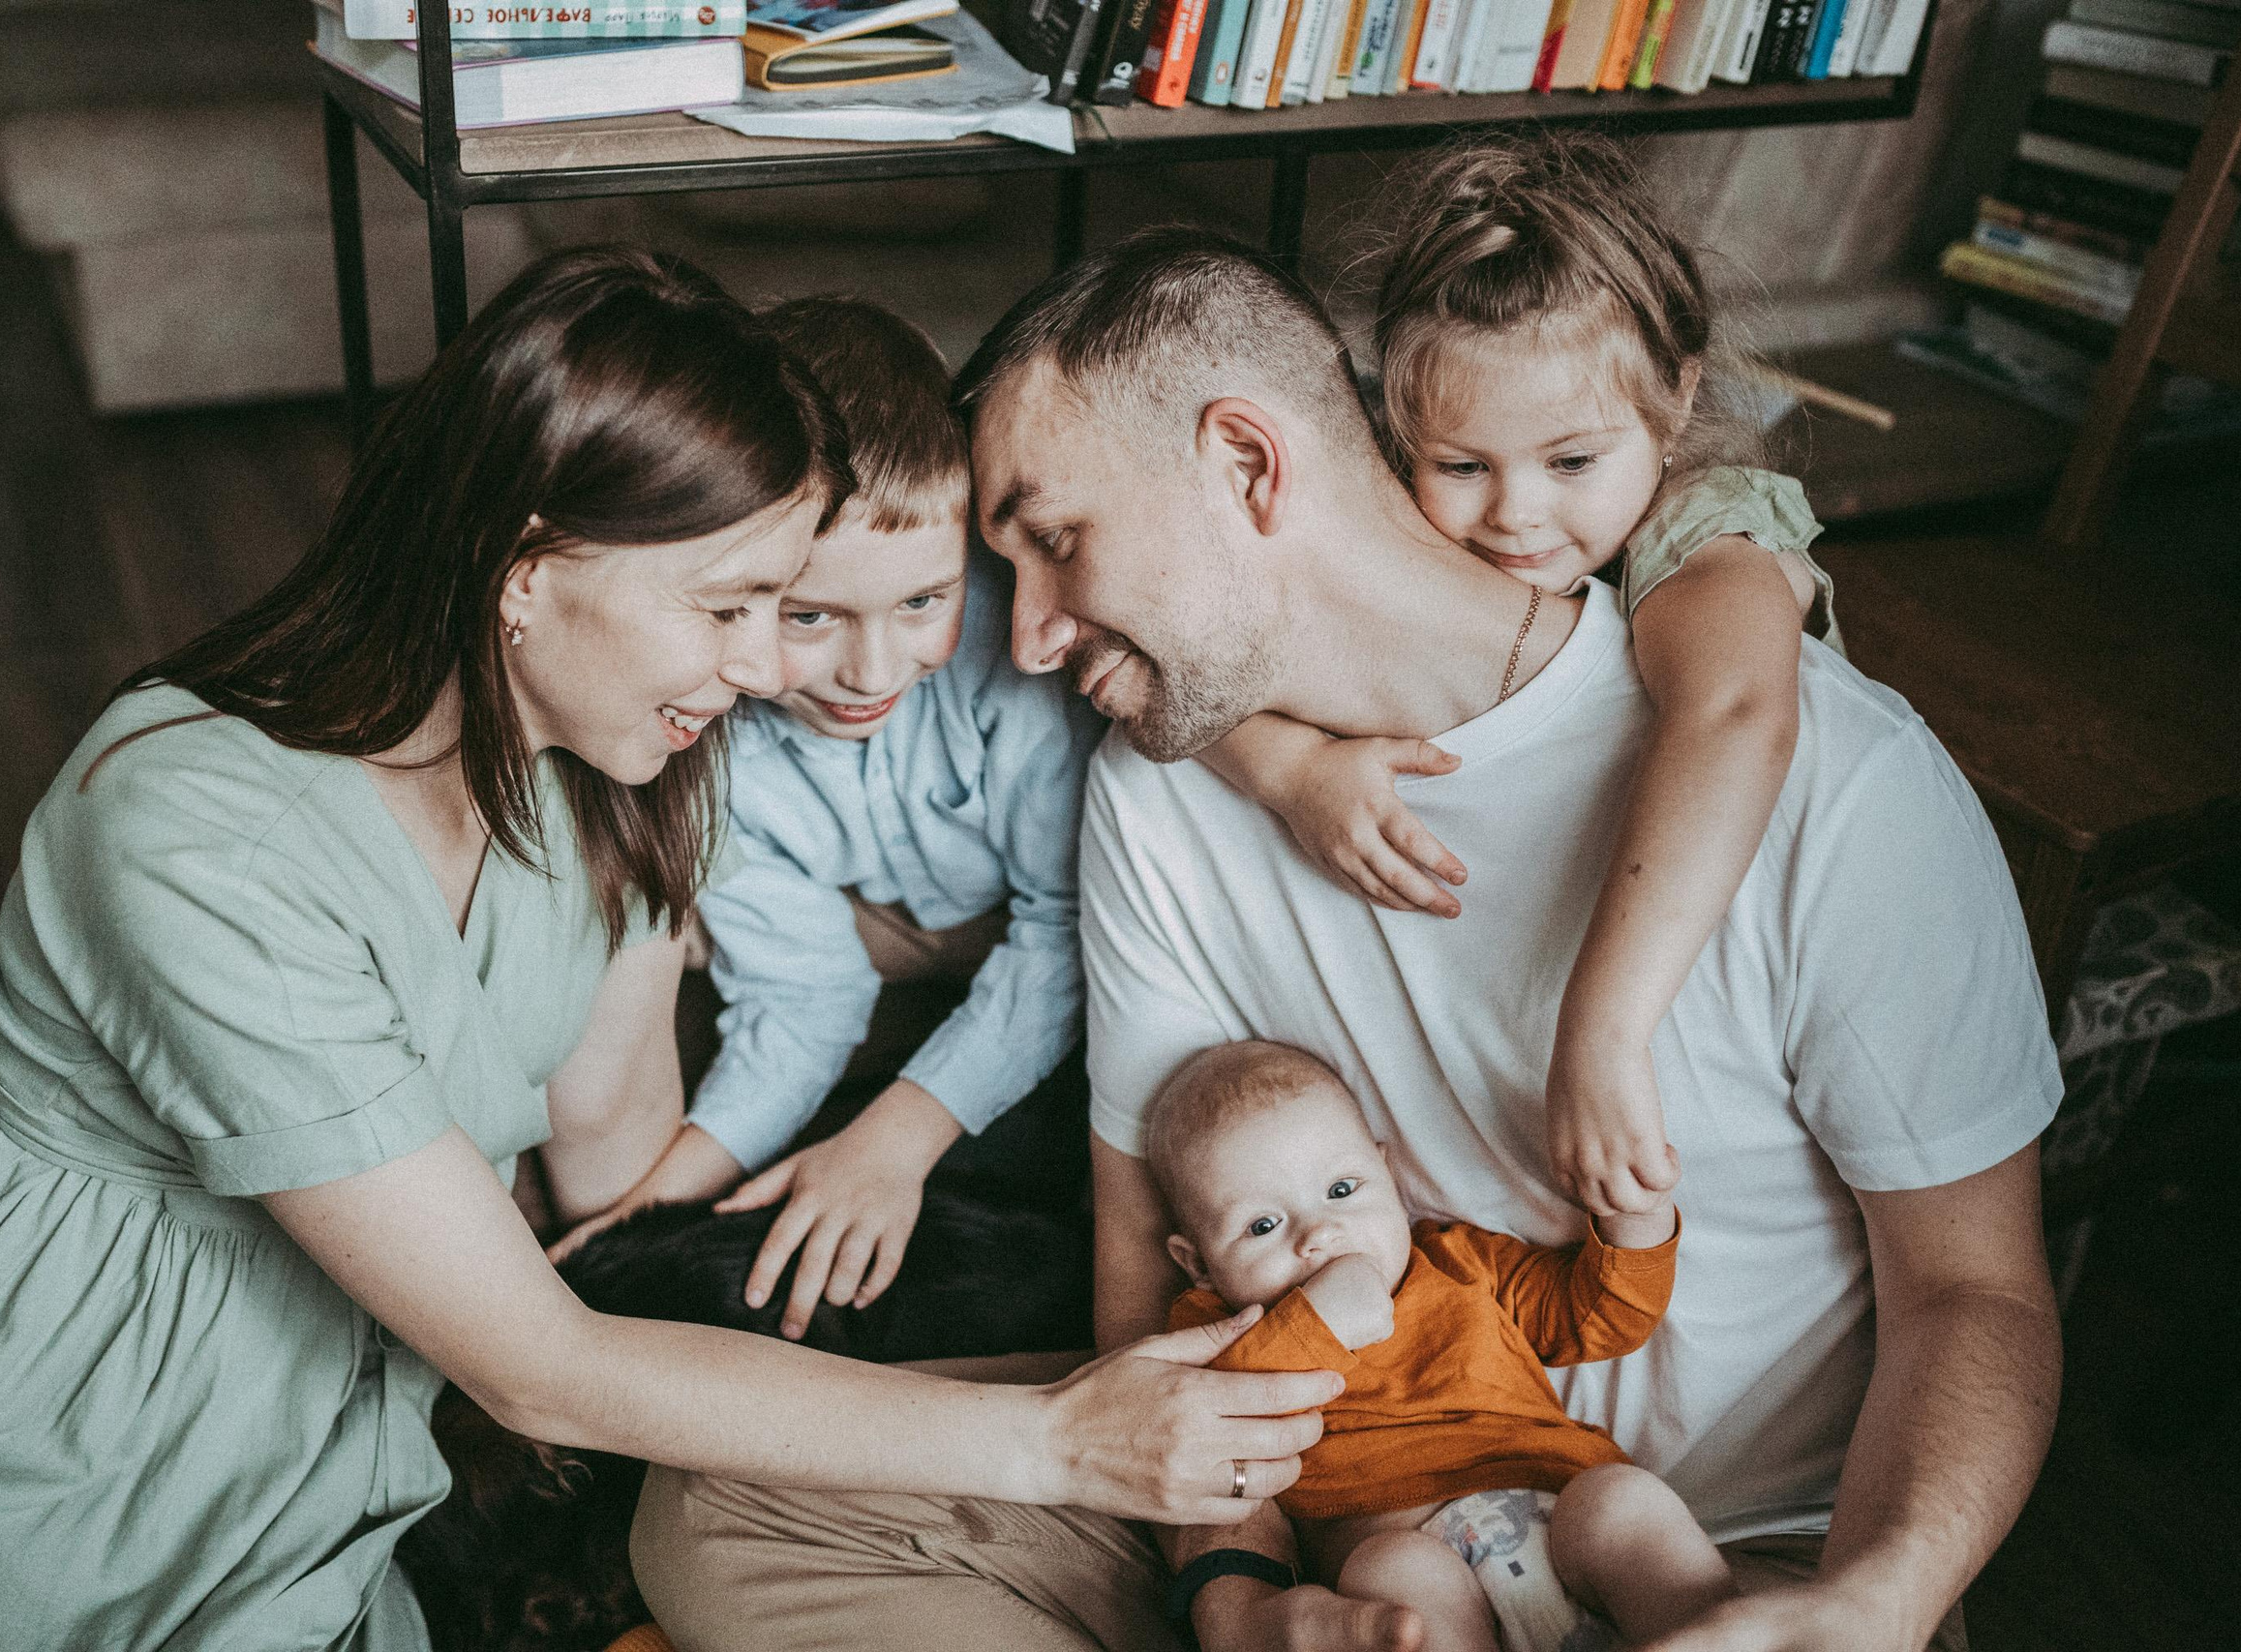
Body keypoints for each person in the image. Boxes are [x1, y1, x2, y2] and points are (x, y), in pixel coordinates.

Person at [0, 248, 1339, 1648]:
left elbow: (609, 1158)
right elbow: (539, 1361)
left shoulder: (619, 766)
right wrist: (1055, 1439)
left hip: (349, 1383)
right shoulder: (191, 830)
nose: (756, 670)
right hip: (42, 1382)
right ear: (526, 567)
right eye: (729, 607)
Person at [632, 228, 2063, 1652]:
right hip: (1337, 1530)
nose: (1032, 638)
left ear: (1249, 466)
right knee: (715, 1514)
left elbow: (1975, 1292)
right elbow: (1150, 1289)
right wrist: (1235, 1588)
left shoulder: (1831, 773)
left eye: (1057, 541)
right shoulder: (1161, 786)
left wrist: (1869, 1604)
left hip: (1718, 1562)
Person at [1203, 131, 1841, 1223]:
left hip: (1714, 962)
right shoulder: (1402, 516)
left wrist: (1600, 1034)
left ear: (1676, 398)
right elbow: (1191, 656)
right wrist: (1291, 768)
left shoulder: (1705, 530)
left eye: (1572, 462)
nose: (1516, 512)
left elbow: (1734, 713)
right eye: (1460, 464)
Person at [545, 295, 1104, 1341]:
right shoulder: (709, 743)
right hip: (899, 976)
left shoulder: (1012, 664)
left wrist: (899, 1135)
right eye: (809, 617)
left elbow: (1067, 935)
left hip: (1069, 989)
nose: (871, 671)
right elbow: (803, 1000)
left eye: (923, 604)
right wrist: (637, 1221)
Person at [1147, 1039, 1730, 1652]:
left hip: (1558, 1512)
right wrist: (1319, 1325)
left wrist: (1635, 1218)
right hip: (1400, 1552)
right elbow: (1203, 1420)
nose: (1321, 1233)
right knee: (1395, 1570)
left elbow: (1598, 1318)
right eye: (1263, 1226)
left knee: (1624, 1500)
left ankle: (1724, 1639)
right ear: (1199, 1264)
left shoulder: (1461, 1263)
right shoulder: (1215, 1326)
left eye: (1343, 1190)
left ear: (1389, 1176)